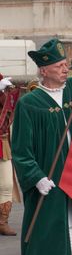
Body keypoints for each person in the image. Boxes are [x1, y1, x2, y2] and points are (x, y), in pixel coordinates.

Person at [11, 39, 72, 255]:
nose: (66, 69)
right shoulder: (30, 104)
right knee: (50, 233)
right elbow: (21, 150)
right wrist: (36, 177)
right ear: (44, 70)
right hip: (50, 181)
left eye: (66, 64)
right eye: (59, 66)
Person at [0, 75, 20, 236]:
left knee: (7, 184)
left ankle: (2, 222)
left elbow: (9, 110)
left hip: (3, 142)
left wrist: (8, 92)